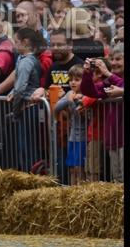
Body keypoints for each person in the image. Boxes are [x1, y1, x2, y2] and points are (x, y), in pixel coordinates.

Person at [80, 47, 124, 183]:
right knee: (117, 179)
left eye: (118, 59)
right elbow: (90, 91)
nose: (114, 62)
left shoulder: (112, 78)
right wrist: (87, 73)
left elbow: (121, 85)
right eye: (112, 59)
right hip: (113, 137)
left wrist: (109, 74)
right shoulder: (109, 81)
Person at [6, 28, 46, 172]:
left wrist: (15, 111)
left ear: (26, 42)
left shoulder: (27, 61)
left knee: (27, 146)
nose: (14, 45)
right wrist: (12, 92)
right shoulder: (24, 60)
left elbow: (21, 87)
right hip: (28, 106)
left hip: (28, 107)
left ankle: (32, 174)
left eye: (16, 42)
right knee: (26, 145)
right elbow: (19, 84)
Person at [53, 64, 91, 185]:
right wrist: (58, 118)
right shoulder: (70, 93)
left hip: (83, 138)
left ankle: (80, 192)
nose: (72, 82)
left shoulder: (86, 95)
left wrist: (72, 102)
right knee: (71, 168)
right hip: (72, 137)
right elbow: (57, 107)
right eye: (71, 79)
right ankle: (72, 191)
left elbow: (83, 115)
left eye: (77, 80)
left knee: (80, 168)